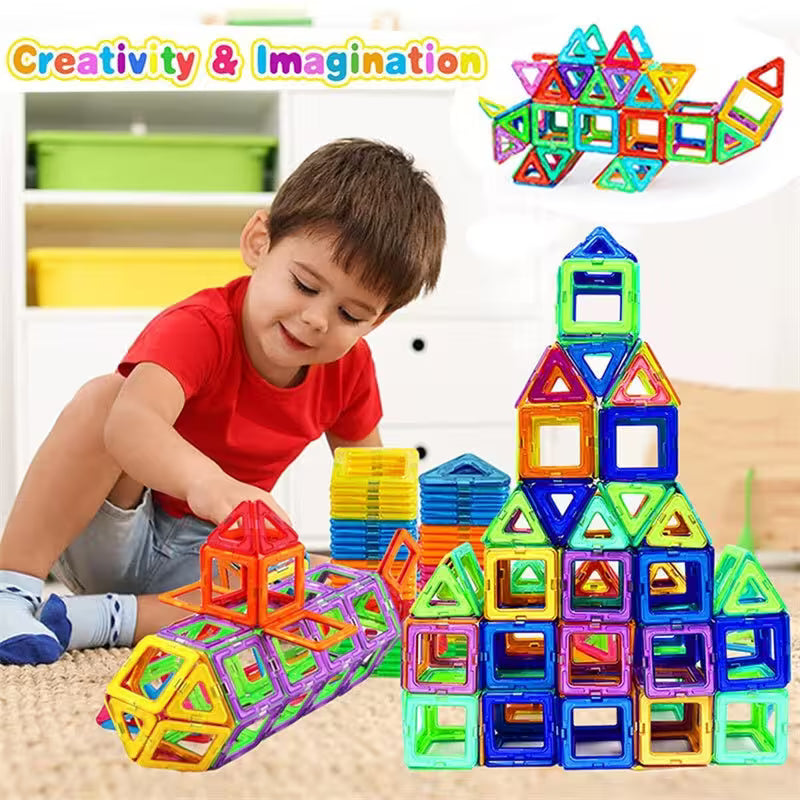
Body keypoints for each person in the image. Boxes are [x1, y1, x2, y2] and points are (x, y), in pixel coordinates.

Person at [0, 138, 445, 666]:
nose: (317, 319)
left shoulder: (350, 370)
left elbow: (372, 485)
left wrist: (393, 576)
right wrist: (209, 484)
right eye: (304, 285)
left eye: (351, 314)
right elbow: (130, 425)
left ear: (378, 320)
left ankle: (96, 619)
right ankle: (12, 590)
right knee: (108, 399)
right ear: (259, 242)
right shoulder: (202, 326)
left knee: (303, 598)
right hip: (122, 522)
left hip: (210, 561)